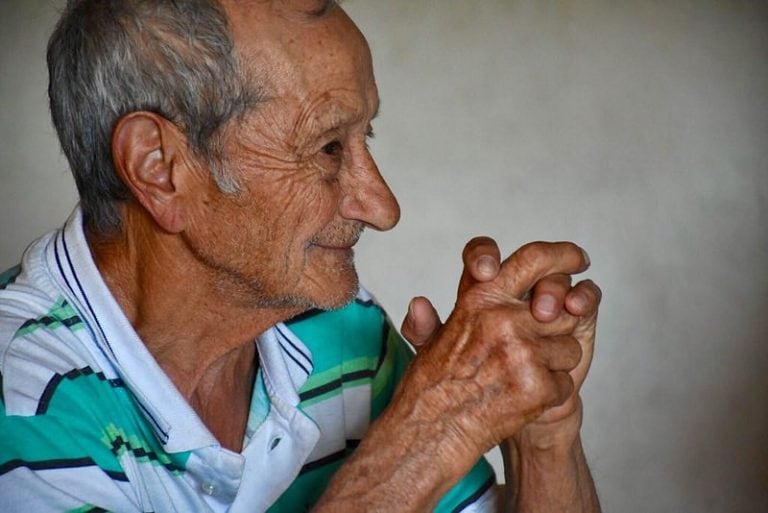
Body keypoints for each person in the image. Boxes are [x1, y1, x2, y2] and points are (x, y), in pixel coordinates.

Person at [0, 0, 602, 511]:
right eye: (327, 147)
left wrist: (541, 431)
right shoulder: (23, 403)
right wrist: (431, 432)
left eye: (367, 137)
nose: (383, 207)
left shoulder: (343, 332)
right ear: (160, 168)